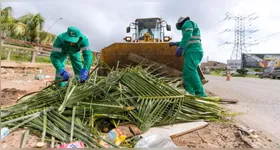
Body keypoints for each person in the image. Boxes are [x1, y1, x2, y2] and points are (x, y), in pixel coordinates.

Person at [169, 17, 207, 97]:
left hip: (193, 51)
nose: (181, 29)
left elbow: (187, 36)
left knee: (191, 71)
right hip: (191, 52)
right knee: (186, 73)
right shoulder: (189, 25)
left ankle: (201, 94)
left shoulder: (188, 23)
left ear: (181, 23)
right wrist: (175, 43)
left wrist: (181, 47)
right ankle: (190, 93)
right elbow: (187, 39)